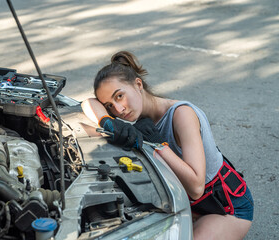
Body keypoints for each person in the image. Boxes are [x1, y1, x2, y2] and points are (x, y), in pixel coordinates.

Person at [81, 51, 254, 240]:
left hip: (225, 206)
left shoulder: (181, 114)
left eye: (120, 96)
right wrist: (106, 120)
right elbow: (87, 103)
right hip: (182, 201)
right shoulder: (135, 113)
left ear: (138, 84)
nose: (118, 109)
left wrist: (159, 146)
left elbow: (197, 188)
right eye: (109, 106)